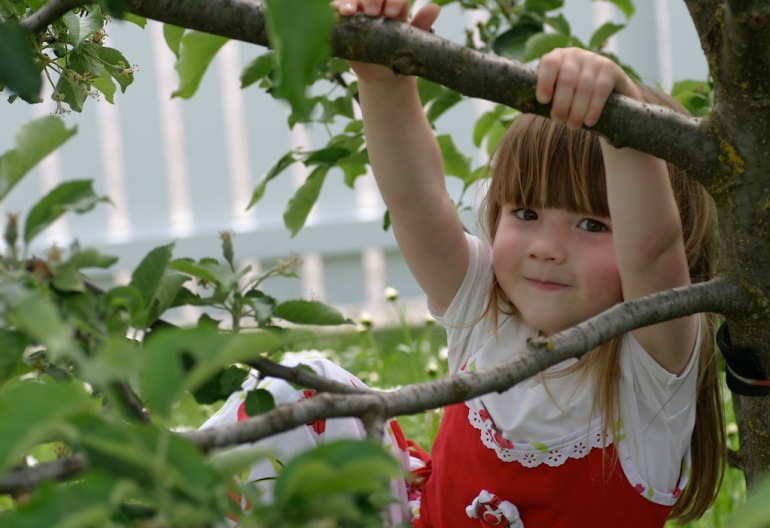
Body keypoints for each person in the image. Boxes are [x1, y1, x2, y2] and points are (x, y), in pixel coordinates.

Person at [202, 1, 725, 526]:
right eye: (525, 212)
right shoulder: (487, 310)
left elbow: (651, 255)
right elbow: (416, 204)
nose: (545, 247)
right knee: (299, 385)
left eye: (592, 224)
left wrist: (623, 121)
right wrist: (382, 81)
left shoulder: (653, 373)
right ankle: (173, 493)